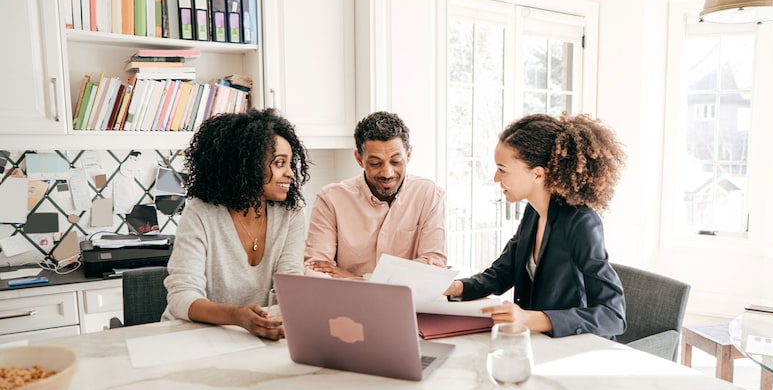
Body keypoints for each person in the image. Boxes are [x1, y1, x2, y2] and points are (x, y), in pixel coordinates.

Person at [444, 113, 627, 339]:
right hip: (538, 344)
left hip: (573, 347)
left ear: (538, 174)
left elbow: (613, 315)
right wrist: (455, 287)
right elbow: (502, 273)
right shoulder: (534, 212)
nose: (495, 178)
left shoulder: (581, 222)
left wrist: (532, 319)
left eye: (502, 169)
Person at [163, 109, 310, 341]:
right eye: (280, 163)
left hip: (255, 336)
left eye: (290, 163)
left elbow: (290, 284)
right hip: (195, 338)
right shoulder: (201, 213)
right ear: (248, 164)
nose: (290, 173)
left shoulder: (291, 214)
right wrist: (237, 316)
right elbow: (182, 297)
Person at [305, 111, 446, 279]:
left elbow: (433, 267)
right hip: (348, 303)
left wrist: (358, 279)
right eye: (375, 163)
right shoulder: (330, 199)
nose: (387, 173)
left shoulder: (429, 195)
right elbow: (316, 269)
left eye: (395, 162)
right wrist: (407, 272)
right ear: (359, 159)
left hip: (407, 303)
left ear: (408, 155)